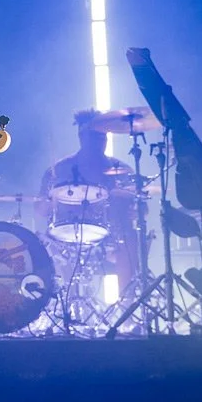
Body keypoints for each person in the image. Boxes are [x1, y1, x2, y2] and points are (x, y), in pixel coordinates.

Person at [38, 109, 138, 296]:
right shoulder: (60, 169)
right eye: (94, 136)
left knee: (130, 238)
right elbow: (40, 209)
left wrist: (136, 210)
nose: (99, 141)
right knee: (53, 244)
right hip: (67, 235)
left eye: (103, 136)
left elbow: (141, 207)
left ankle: (127, 304)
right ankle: (70, 303)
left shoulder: (122, 170)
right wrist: (49, 202)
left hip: (111, 236)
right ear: (81, 136)